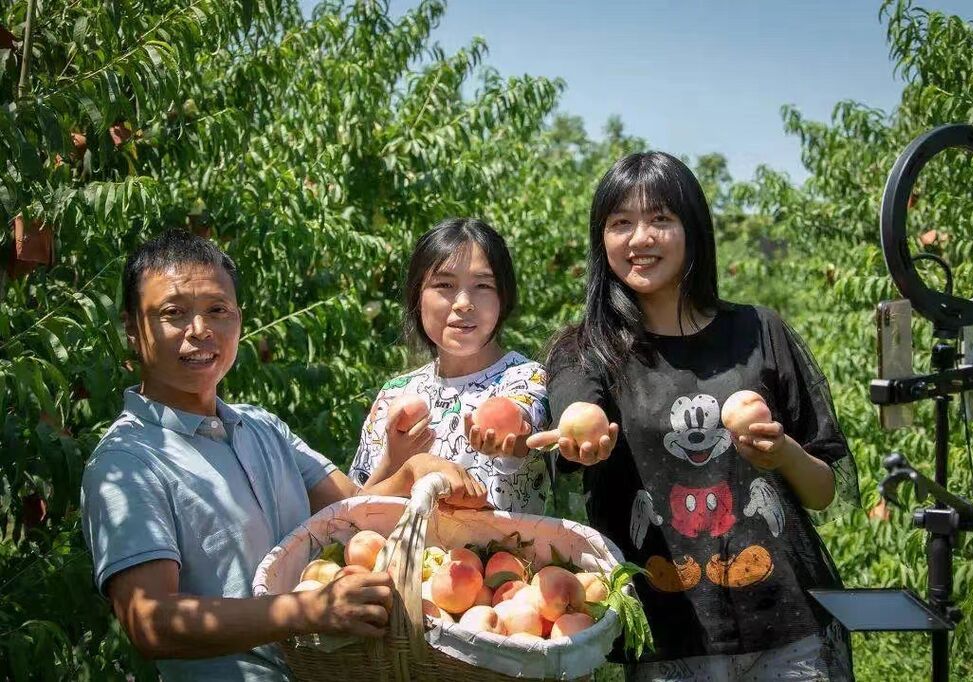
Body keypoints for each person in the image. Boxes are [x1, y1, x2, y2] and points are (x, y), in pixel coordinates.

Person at [80, 229, 486, 681]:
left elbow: (352, 512)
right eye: (173, 313)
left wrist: (410, 471)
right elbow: (150, 622)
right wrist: (307, 610)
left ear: (238, 319)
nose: (200, 330)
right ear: (132, 329)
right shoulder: (127, 463)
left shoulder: (262, 427)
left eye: (217, 310)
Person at [528, 152, 859, 681]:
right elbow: (579, 409)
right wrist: (581, 432)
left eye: (660, 218)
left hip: (788, 627)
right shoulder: (586, 350)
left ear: (693, 229)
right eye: (621, 223)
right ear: (601, 239)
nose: (640, 238)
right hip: (669, 639)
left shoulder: (758, 332)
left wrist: (783, 453)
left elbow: (823, 491)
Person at [349, 218, 551, 513]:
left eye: (483, 285)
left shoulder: (525, 379)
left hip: (505, 546)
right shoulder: (394, 394)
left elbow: (520, 425)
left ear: (503, 296)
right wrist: (393, 461)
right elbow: (353, 513)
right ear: (417, 296)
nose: (463, 302)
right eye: (444, 285)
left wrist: (506, 438)